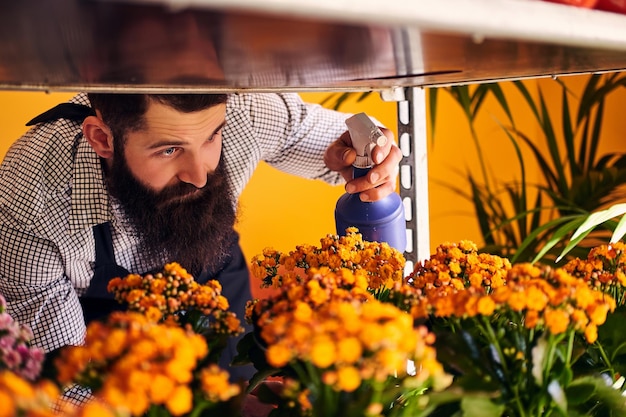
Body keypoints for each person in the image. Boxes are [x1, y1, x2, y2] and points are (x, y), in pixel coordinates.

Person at [0, 91, 401, 399]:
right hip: (100, 330)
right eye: (169, 149)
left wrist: (365, 159)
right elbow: (67, 382)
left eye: (212, 137)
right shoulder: (29, 195)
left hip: (214, 283)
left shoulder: (244, 111)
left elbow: (349, 144)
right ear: (102, 139)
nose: (199, 175)